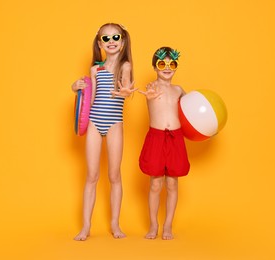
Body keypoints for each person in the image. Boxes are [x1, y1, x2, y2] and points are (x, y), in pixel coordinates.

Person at [71, 23, 137, 241]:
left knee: (114, 175)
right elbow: (87, 99)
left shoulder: (124, 66)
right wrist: (76, 87)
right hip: (94, 122)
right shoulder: (95, 69)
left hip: (114, 123)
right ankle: (86, 226)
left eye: (115, 37)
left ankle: (115, 225)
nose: (111, 42)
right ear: (100, 43)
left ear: (123, 41)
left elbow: (125, 90)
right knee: (91, 175)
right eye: (106, 39)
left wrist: (125, 92)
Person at [138, 47, 190, 240]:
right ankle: (154, 225)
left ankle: (168, 226)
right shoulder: (152, 87)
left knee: (172, 184)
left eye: (171, 64)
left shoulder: (179, 90)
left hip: (176, 138)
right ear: (155, 67)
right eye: (162, 64)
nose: (167, 68)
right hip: (157, 137)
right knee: (155, 184)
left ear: (176, 67)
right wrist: (150, 94)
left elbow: (191, 113)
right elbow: (149, 97)